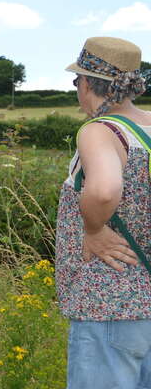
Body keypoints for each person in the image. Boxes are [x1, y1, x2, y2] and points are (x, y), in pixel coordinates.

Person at [55, 36, 151, 389]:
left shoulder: (102, 131)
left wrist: (93, 230)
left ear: (87, 83)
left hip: (108, 304)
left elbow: (104, 189)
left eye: (76, 81)